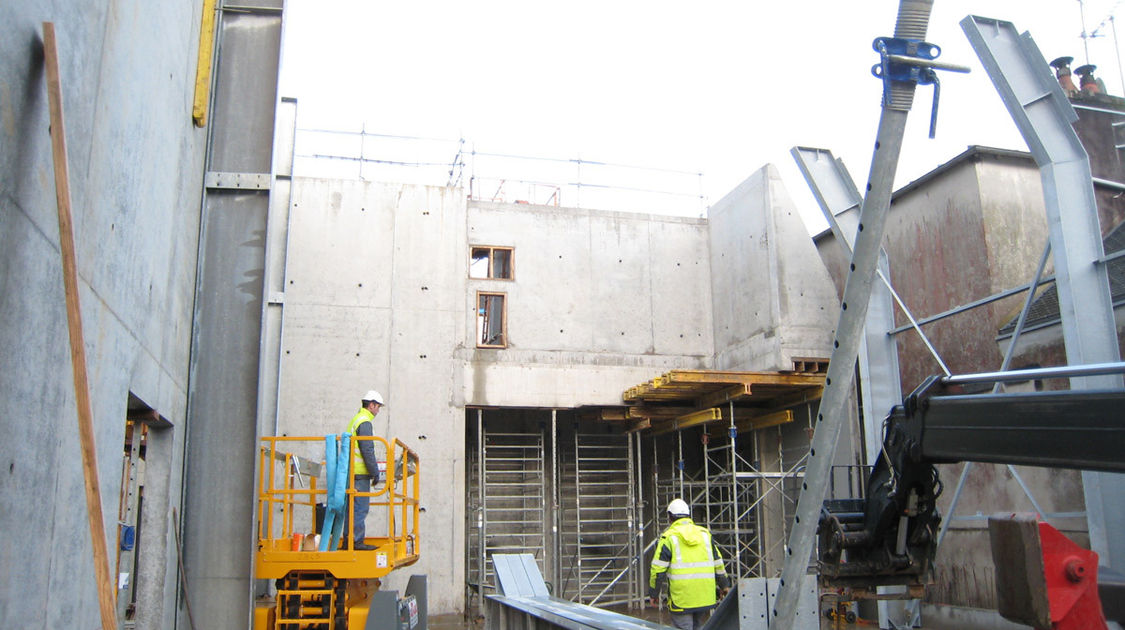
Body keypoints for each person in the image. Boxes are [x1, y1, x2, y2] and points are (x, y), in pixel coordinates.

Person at [648, 498, 729, 630]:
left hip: (682, 599)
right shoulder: (705, 535)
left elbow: (657, 570)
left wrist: (653, 593)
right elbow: (718, 563)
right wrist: (724, 585)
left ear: (670, 517)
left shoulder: (669, 537)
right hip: (705, 597)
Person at [346, 389, 384, 550]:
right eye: (378, 407)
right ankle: (356, 542)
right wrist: (375, 472)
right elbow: (367, 449)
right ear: (371, 405)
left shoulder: (357, 419)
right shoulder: (364, 422)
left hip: (352, 472)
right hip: (359, 474)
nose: (378, 410)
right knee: (360, 508)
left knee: (352, 509)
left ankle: (350, 541)